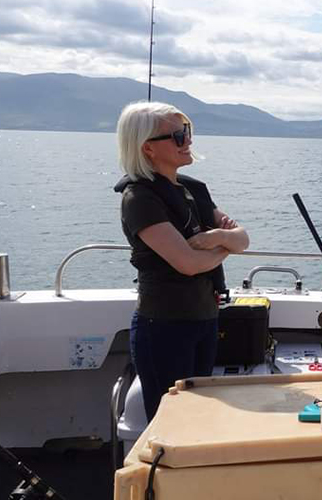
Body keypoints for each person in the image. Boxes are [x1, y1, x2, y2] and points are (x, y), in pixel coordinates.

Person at [114, 101, 249, 421]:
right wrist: (224, 246)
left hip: (205, 320)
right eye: (177, 136)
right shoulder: (140, 199)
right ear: (148, 148)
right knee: (170, 422)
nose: (187, 140)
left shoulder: (193, 190)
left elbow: (242, 239)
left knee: (199, 415)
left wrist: (215, 239)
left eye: (186, 132)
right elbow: (187, 263)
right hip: (164, 327)